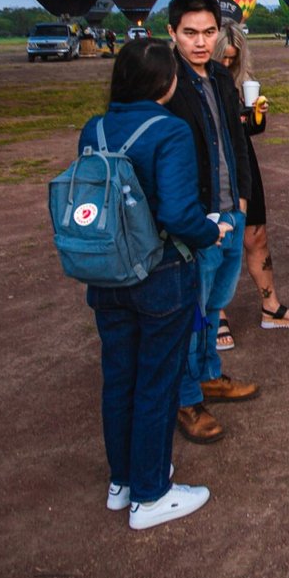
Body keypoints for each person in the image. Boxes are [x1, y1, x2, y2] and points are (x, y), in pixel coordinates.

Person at [80, 38, 229, 529]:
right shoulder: (170, 130)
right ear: (166, 82)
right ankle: (150, 495)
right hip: (160, 272)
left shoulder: (95, 128)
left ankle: (123, 482)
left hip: (107, 271)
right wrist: (211, 231)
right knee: (157, 382)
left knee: (119, 377)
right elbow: (178, 214)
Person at [160, 0, 255, 446]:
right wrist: (190, 218)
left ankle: (208, 375)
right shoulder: (165, 84)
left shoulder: (219, 76)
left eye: (209, 32)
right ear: (172, 32)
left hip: (231, 211)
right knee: (190, 311)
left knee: (215, 304)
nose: (201, 42)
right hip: (197, 220)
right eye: (190, 33)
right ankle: (185, 397)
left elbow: (236, 142)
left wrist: (243, 201)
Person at [210, 20, 289, 334]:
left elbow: (246, 130)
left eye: (233, 58)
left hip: (243, 166)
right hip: (211, 168)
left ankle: (270, 306)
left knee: (256, 236)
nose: (227, 64)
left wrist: (256, 116)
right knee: (215, 240)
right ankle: (215, 312)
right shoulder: (196, 85)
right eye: (223, 58)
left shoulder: (237, 83)